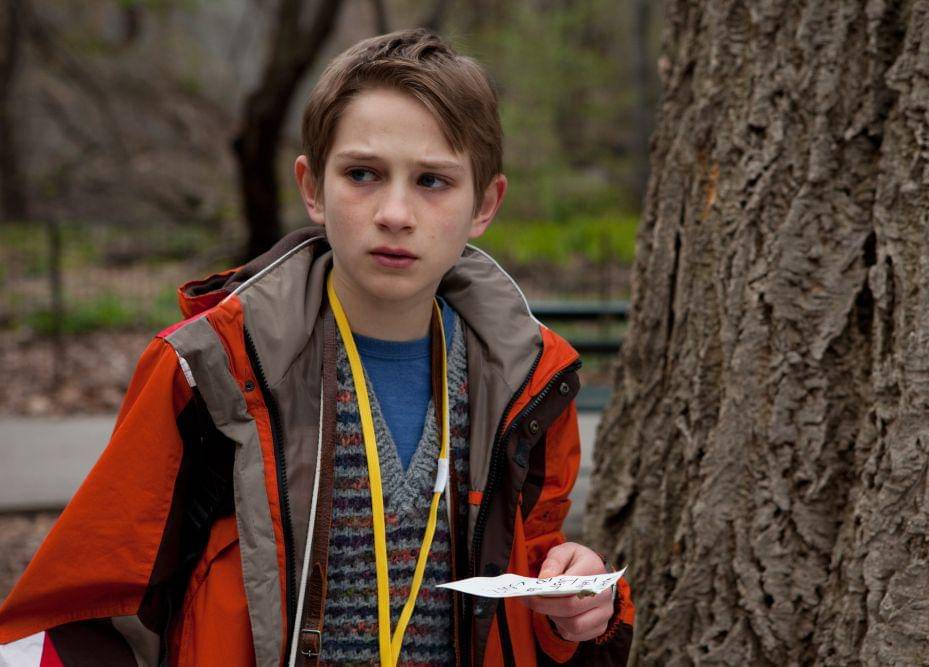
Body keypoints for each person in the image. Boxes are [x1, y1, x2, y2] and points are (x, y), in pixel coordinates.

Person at [0, 28, 634, 666]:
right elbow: (84, 608)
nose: (395, 212)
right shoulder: (211, 370)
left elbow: (536, 582)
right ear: (312, 188)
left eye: (432, 181)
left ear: (484, 204)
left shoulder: (528, 383)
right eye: (362, 174)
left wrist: (579, 611)